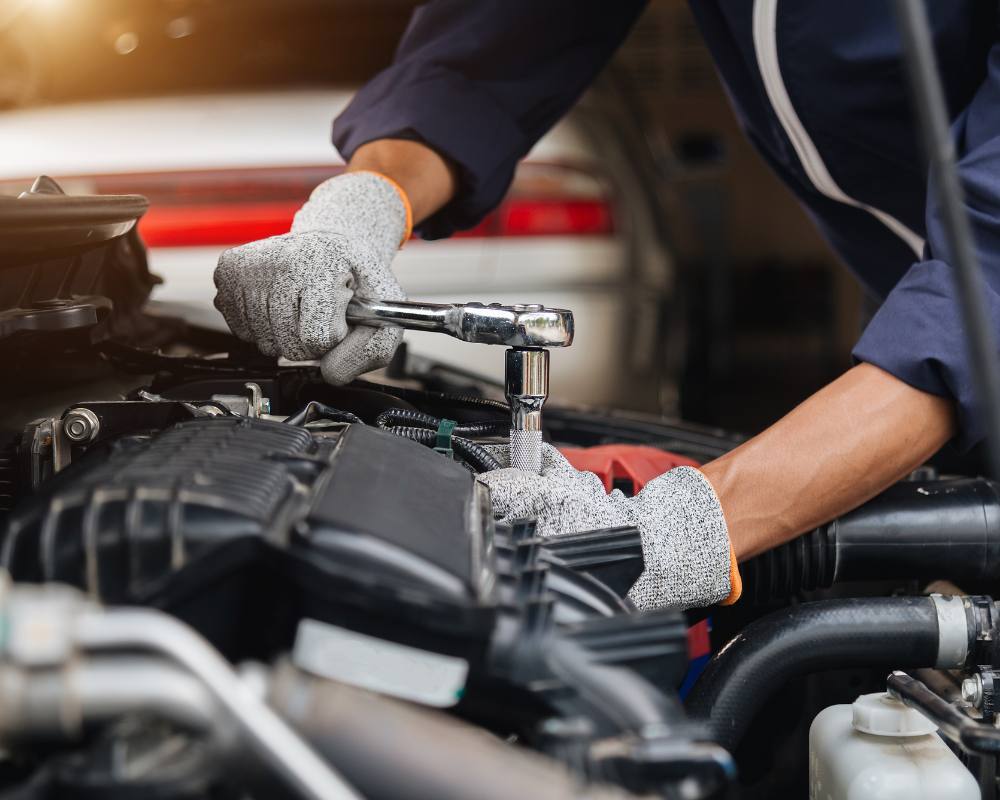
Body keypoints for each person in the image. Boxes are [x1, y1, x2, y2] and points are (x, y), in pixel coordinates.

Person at [213, 0, 1000, 611]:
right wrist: (363, 206)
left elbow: (984, 292)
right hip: (922, 309)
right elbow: (488, 54)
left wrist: (683, 527)